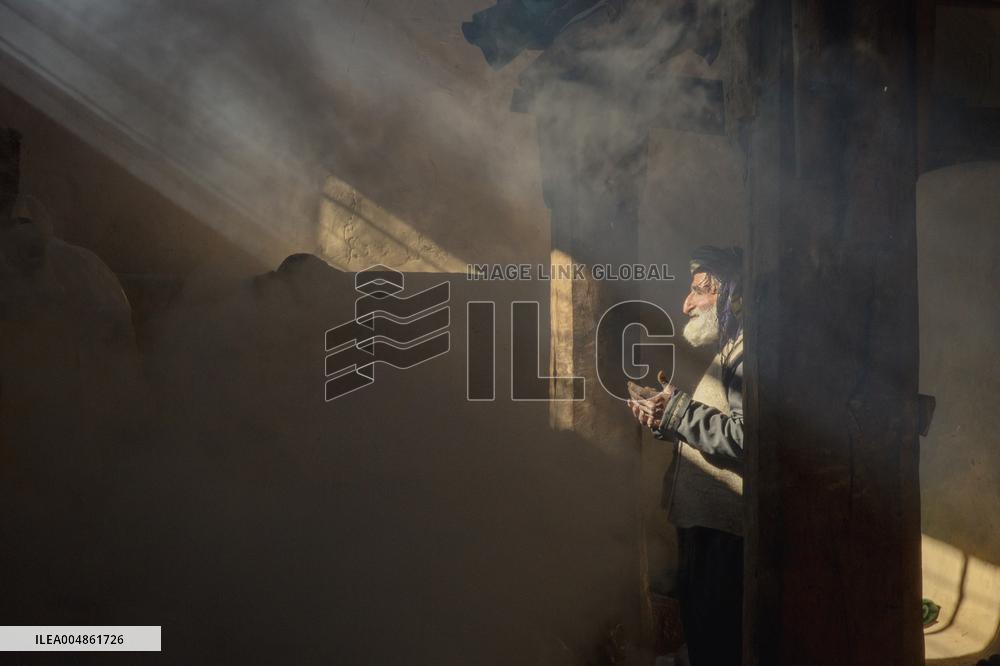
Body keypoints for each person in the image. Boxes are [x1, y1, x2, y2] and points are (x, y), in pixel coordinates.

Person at [627, 245, 744, 666]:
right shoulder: (730, 350)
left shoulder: (747, 355)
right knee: (705, 640)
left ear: (730, 294)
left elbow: (748, 441)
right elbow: (712, 429)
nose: (686, 303)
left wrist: (676, 411)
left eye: (698, 291)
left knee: (719, 644)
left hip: (726, 534)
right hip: (708, 526)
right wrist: (667, 418)